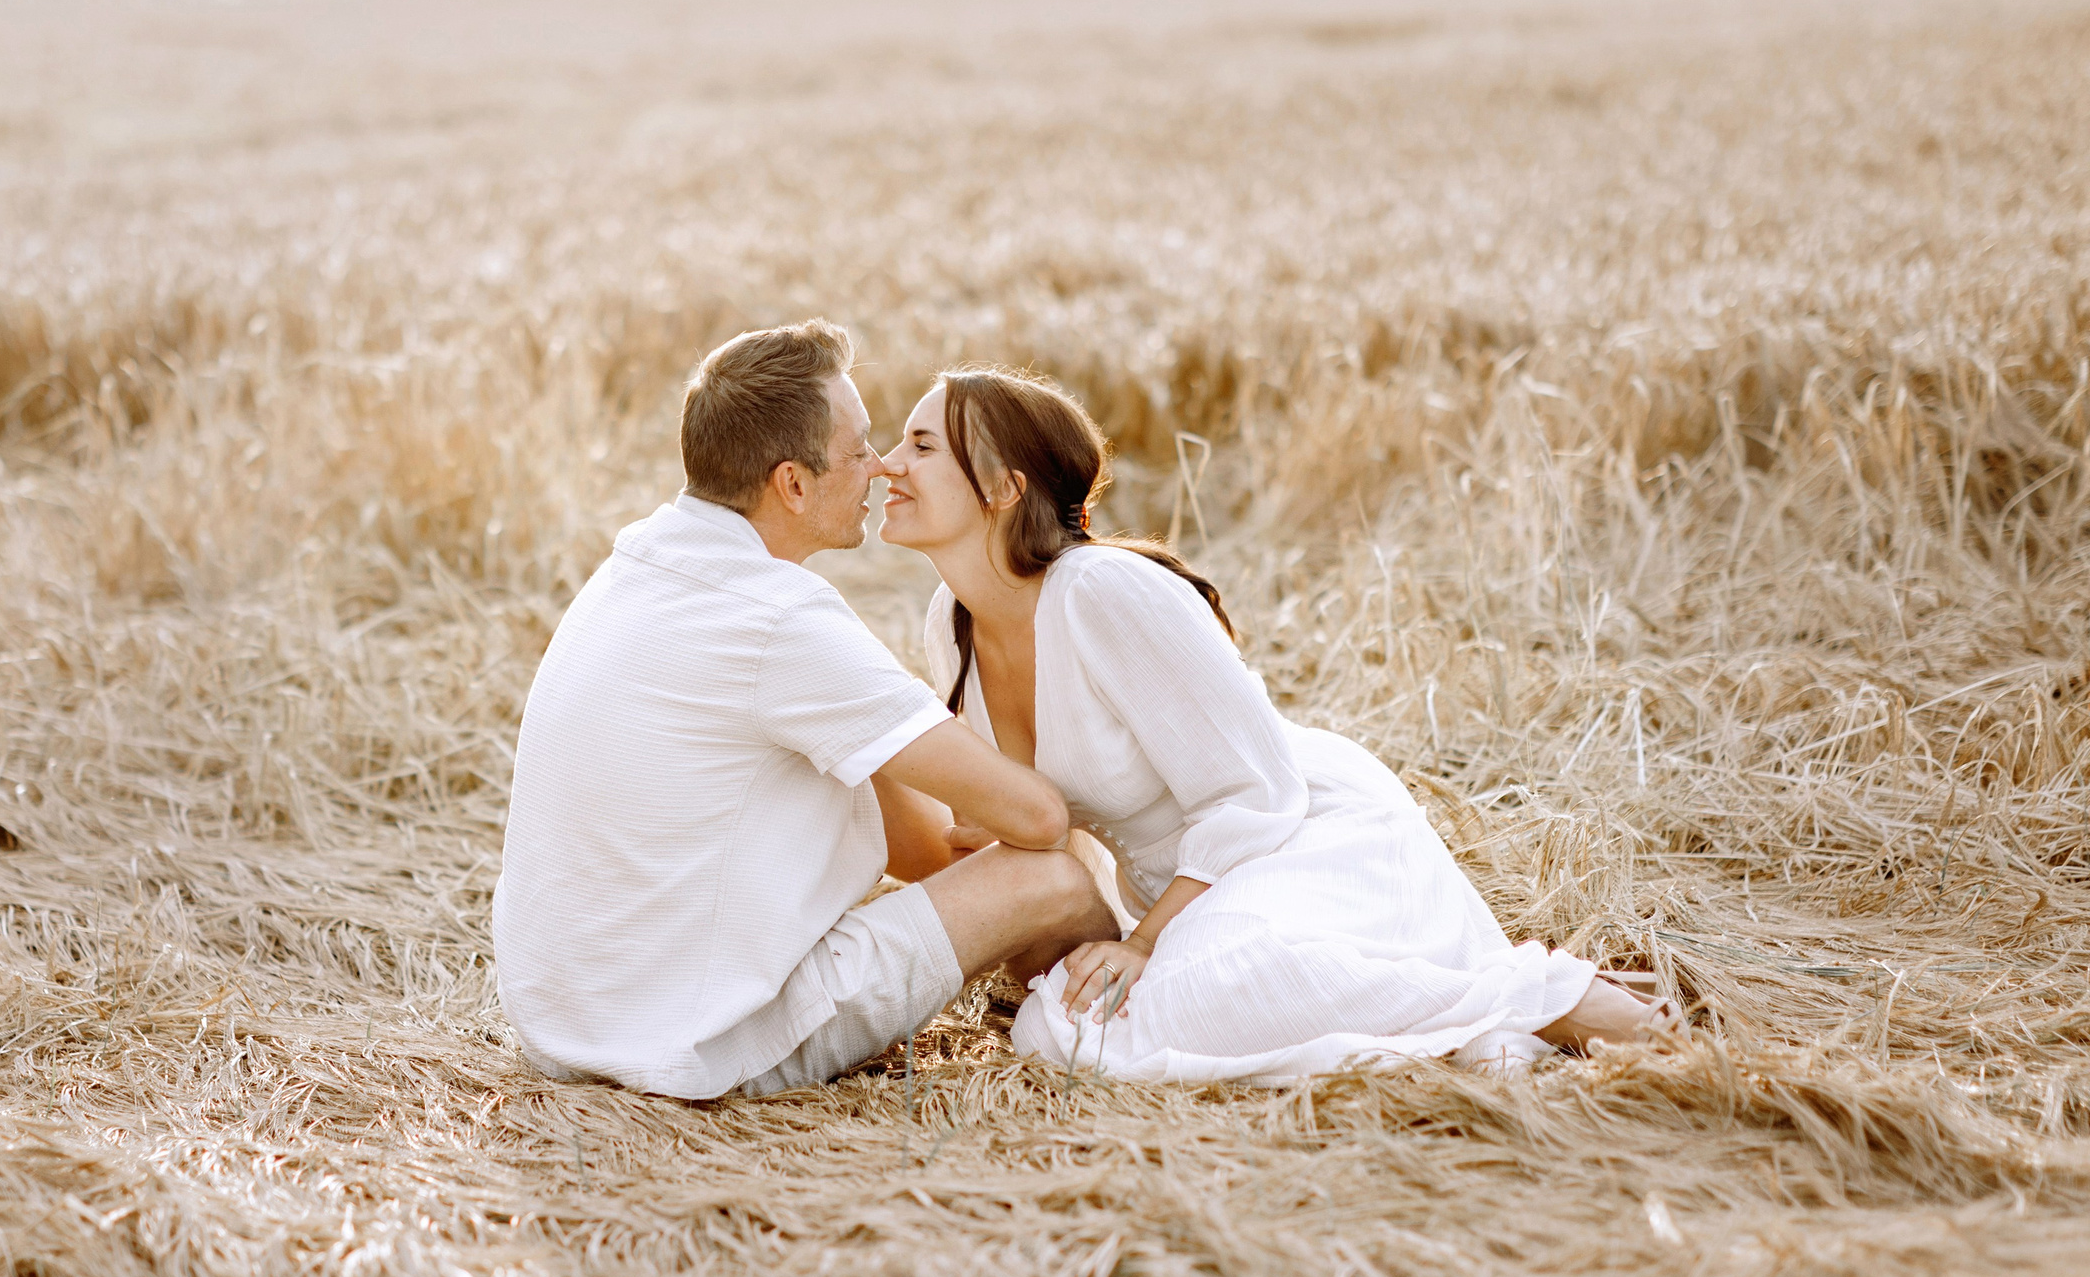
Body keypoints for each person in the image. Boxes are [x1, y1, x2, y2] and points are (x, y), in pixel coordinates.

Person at [872, 363, 1676, 1084]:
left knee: (1230, 985)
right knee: (1062, 1031)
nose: (887, 465)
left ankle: (1558, 1002)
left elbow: (1254, 794)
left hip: (1302, 836)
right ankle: (1479, 1024)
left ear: (1005, 487)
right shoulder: (955, 622)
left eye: (920, 446)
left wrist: (1144, 944)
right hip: (1185, 889)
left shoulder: (1104, 592)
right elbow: (1032, 825)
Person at [492, 323, 1118, 1100]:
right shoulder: (778, 620)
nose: (881, 465)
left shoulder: (643, 563)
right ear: (792, 483)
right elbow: (1038, 822)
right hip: (693, 1040)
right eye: (858, 450)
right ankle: (1115, 1033)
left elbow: (924, 853)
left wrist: (900, 743)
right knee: (1056, 879)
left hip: (568, 1020)